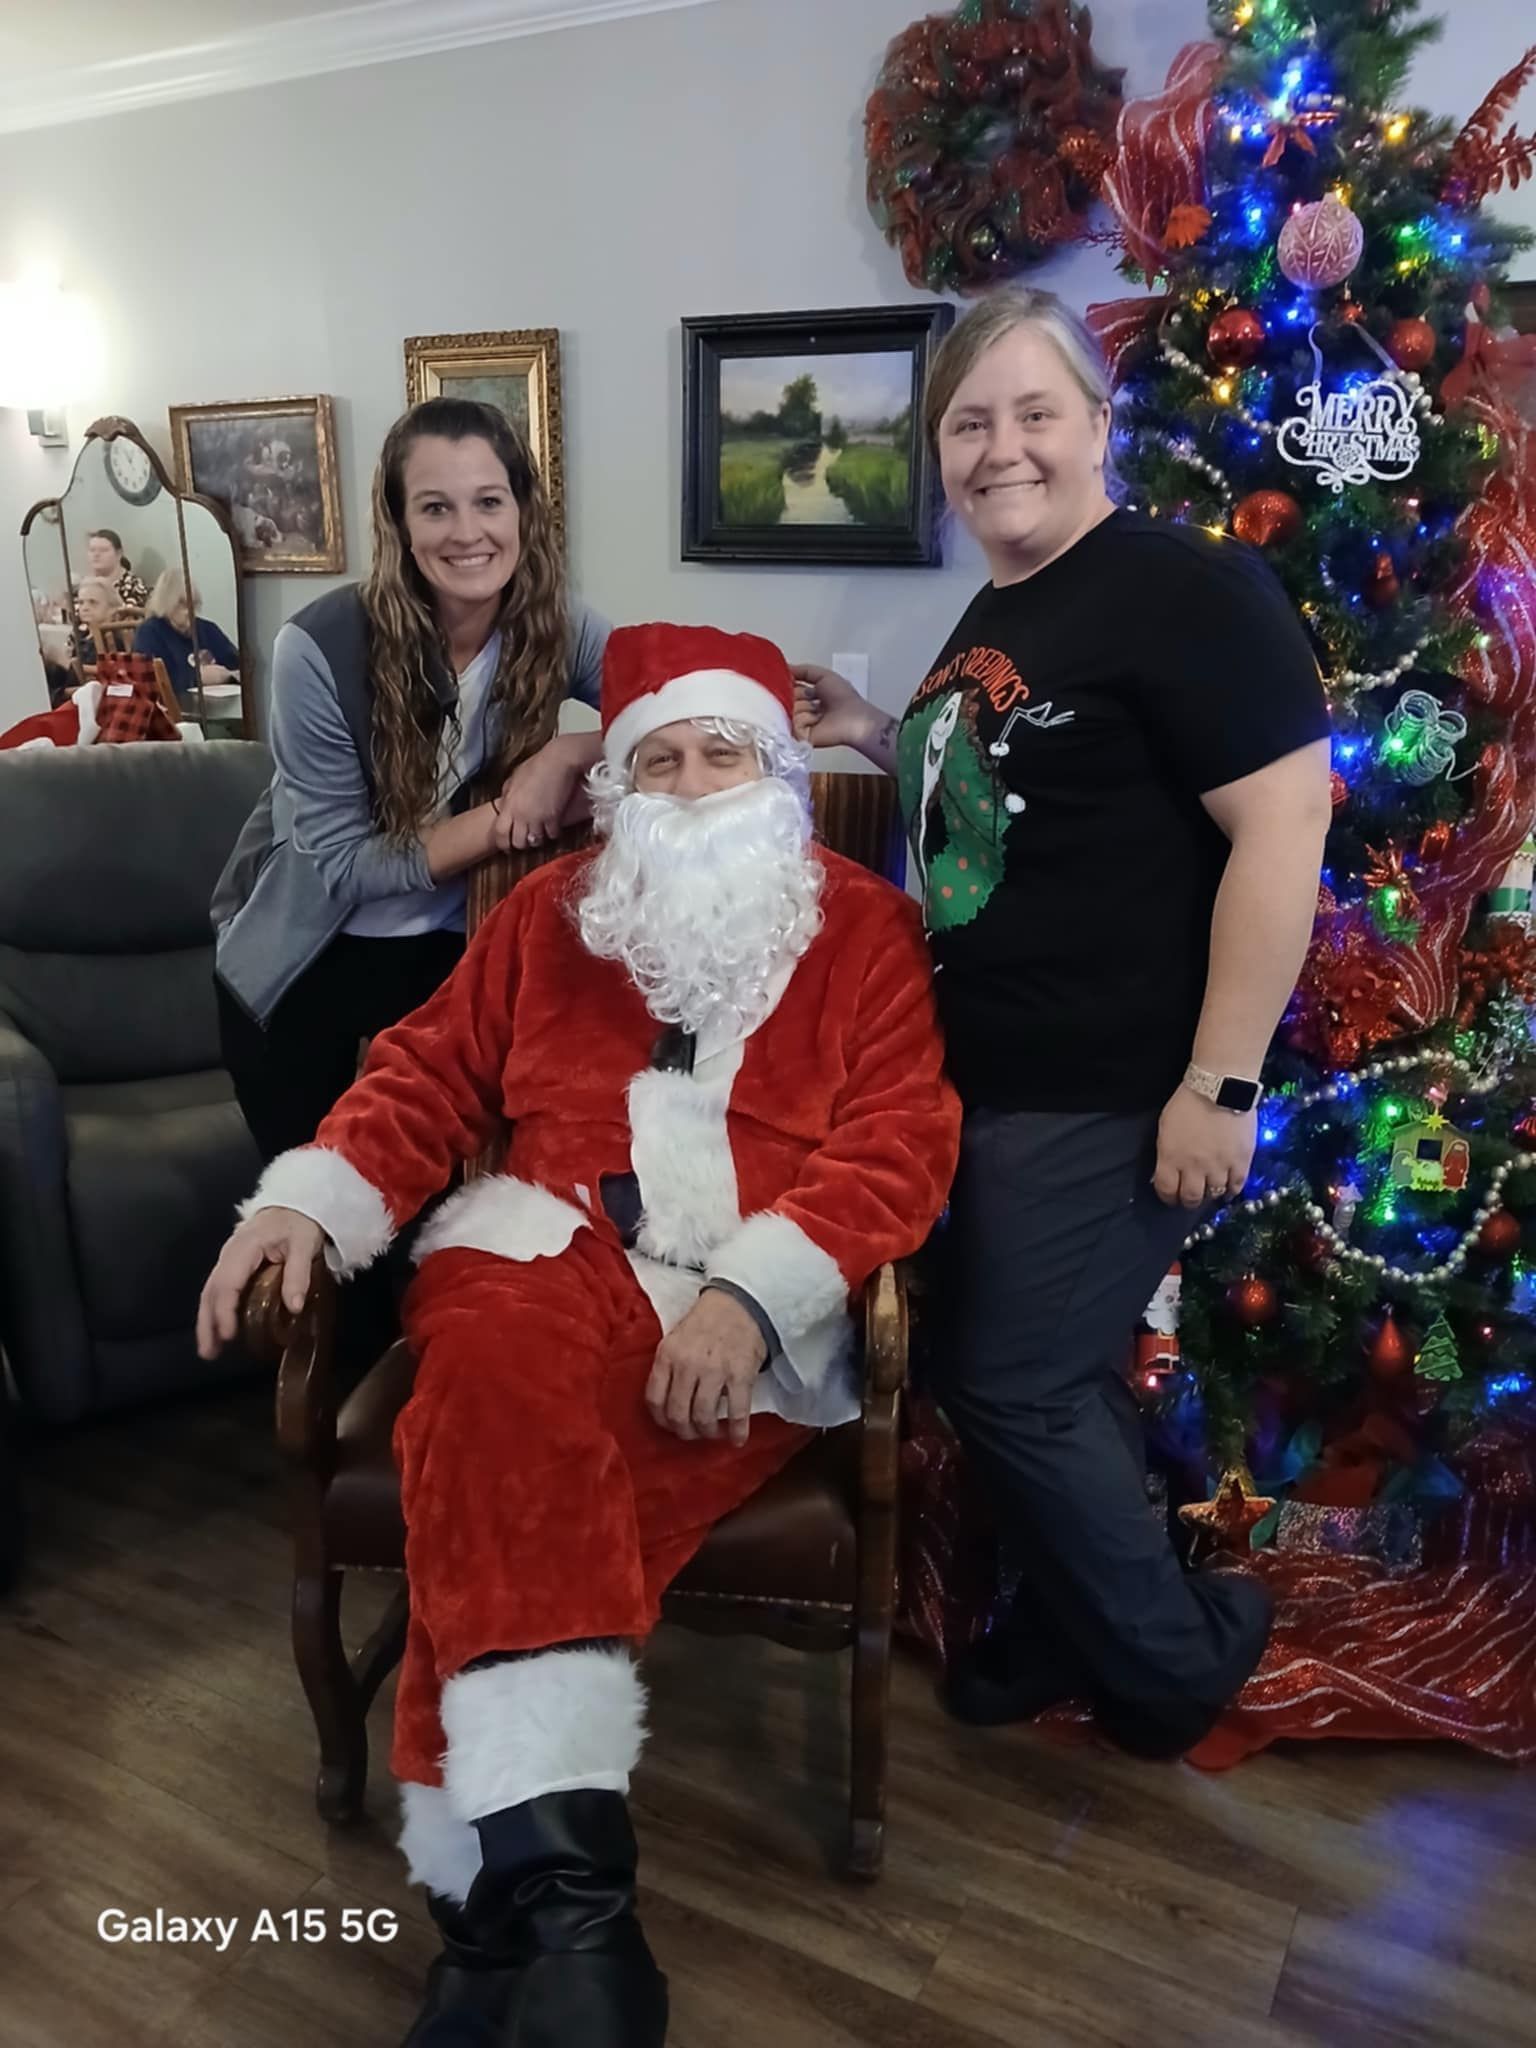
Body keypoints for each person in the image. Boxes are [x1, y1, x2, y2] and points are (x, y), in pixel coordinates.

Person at [196, 622, 960, 2048]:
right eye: (653, 759)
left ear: (777, 770)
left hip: (746, 1303)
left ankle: (495, 1928)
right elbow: (420, 1072)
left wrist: (746, 1294)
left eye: (718, 751)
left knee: (493, 1485)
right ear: (616, 788)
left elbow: (902, 1147)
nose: (688, 782)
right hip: (540, 1256)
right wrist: (315, 1198)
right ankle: (576, 1920)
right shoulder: (551, 915)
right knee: (489, 1366)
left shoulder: (865, 927)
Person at [796, 286, 1332, 1758]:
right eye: (971, 422)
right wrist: (870, 727)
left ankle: (1171, 1661)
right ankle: (1068, 1616)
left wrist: (1218, 1086)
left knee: (1011, 1380)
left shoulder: (1184, 588)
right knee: (1040, 1373)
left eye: (1036, 413)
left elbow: (1289, 823)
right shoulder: (1009, 602)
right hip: (981, 1077)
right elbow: (1007, 772)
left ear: (1103, 426)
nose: (1000, 448)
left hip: (1105, 1086)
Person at [211, 395, 609, 1174]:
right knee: (327, 1226)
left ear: (524, 511)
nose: (468, 533)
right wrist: (507, 815)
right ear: (398, 525)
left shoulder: (559, 622)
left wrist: (566, 754)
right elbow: (349, 868)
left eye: (489, 502)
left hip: (451, 954)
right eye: (436, 507)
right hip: (305, 968)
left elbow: (666, 713)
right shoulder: (316, 649)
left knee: (433, 1220)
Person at [132, 570, 241, 706]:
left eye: (194, 605)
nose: (190, 611)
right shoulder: (150, 632)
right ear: (167, 603)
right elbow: (151, 683)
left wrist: (227, 674)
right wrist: (197, 678)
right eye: (182, 605)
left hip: (215, 706)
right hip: (172, 712)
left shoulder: (207, 629)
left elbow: (237, 664)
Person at [82, 527, 149, 614]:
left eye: (103, 550)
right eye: (92, 550)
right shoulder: (84, 586)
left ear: (119, 553)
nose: (96, 554)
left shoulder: (134, 588)